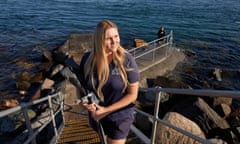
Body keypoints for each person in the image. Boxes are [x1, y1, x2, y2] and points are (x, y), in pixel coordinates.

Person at [78, 20, 140, 144]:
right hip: (97, 116)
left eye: (116, 36)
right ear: (99, 40)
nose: (114, 41)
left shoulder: (127, 60)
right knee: (105, 140)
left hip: (120, 117)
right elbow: (82, 88)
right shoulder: (87, 60)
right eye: (109, 38)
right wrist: (85, 103)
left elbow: (133, 94)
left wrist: (106, 110)